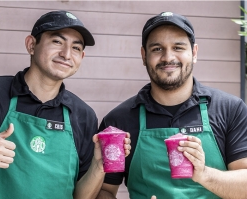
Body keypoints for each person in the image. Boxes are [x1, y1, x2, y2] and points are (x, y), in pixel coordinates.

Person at [0, 10, 131, 199]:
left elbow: (82, 197)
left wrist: (98, 166)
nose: (66, 54)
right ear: (31, 44)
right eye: (57, 42)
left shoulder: (83, 115)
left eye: (76, 48)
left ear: (81, 58)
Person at [96, 11, 247, 199]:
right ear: (144, 55)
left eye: (178, 47)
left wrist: (204, 175)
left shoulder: (229, 109)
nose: (168, 57)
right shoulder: (119, 120)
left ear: (194, 53)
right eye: (157, 49)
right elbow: (104, 191)